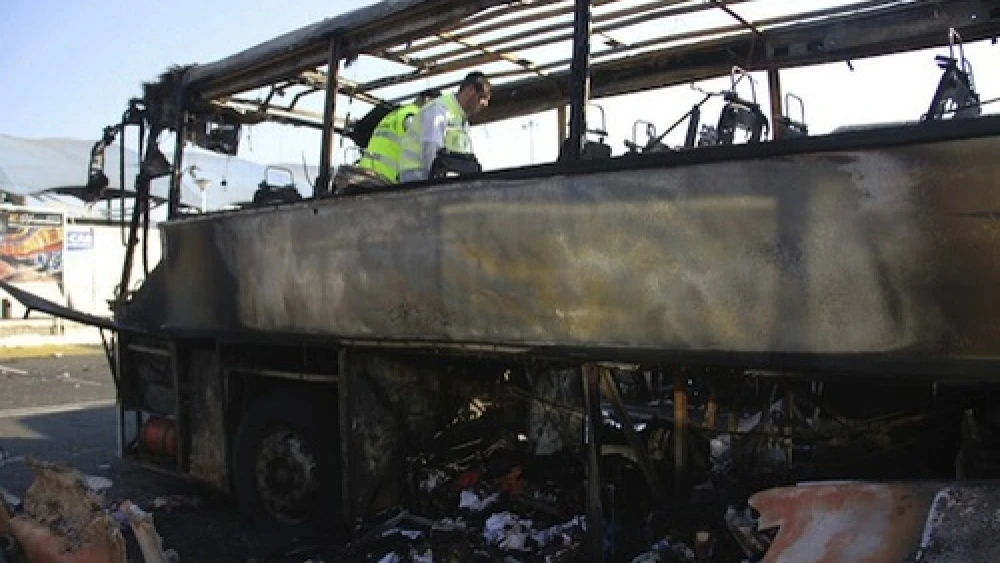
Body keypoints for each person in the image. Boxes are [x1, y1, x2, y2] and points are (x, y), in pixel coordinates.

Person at [398, 72, 491, 182]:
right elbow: (430, 148)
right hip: (417, 176)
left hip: (437, 179)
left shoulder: (461, 119)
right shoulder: (438, 109)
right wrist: (437, 181)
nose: (485, 104)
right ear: (470, 91)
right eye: (483, 97)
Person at [356, 88, 440, 183]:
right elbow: (427, 149)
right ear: (427, 100)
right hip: (387, 178)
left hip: (366, 173)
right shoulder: (416, 116)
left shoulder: (394, 113)